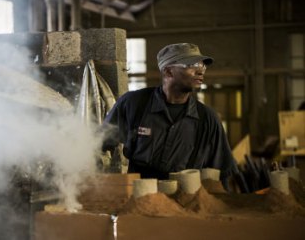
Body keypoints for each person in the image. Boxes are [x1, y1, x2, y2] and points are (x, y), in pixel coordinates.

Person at [102, 43, 238, 189]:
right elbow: (99, 144)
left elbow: (222, 173)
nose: (200, 71)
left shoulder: (207, 119)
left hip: (185, 199)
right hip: (141, 196)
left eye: (202, 65)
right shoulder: (134, 104)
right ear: (168, 72)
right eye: (192, 64)